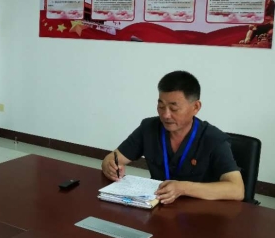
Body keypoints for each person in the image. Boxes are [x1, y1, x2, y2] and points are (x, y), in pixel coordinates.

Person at [101, 71, 244, 204]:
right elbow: (114, 158)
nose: (166, 115)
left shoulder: (213, 139)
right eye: (161, 106)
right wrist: (110, 166)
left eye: (174, 108)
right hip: (158, 206)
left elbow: (237, 190)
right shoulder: (149, 128)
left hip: (199, 211)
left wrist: (183, 188)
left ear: (195, 107)